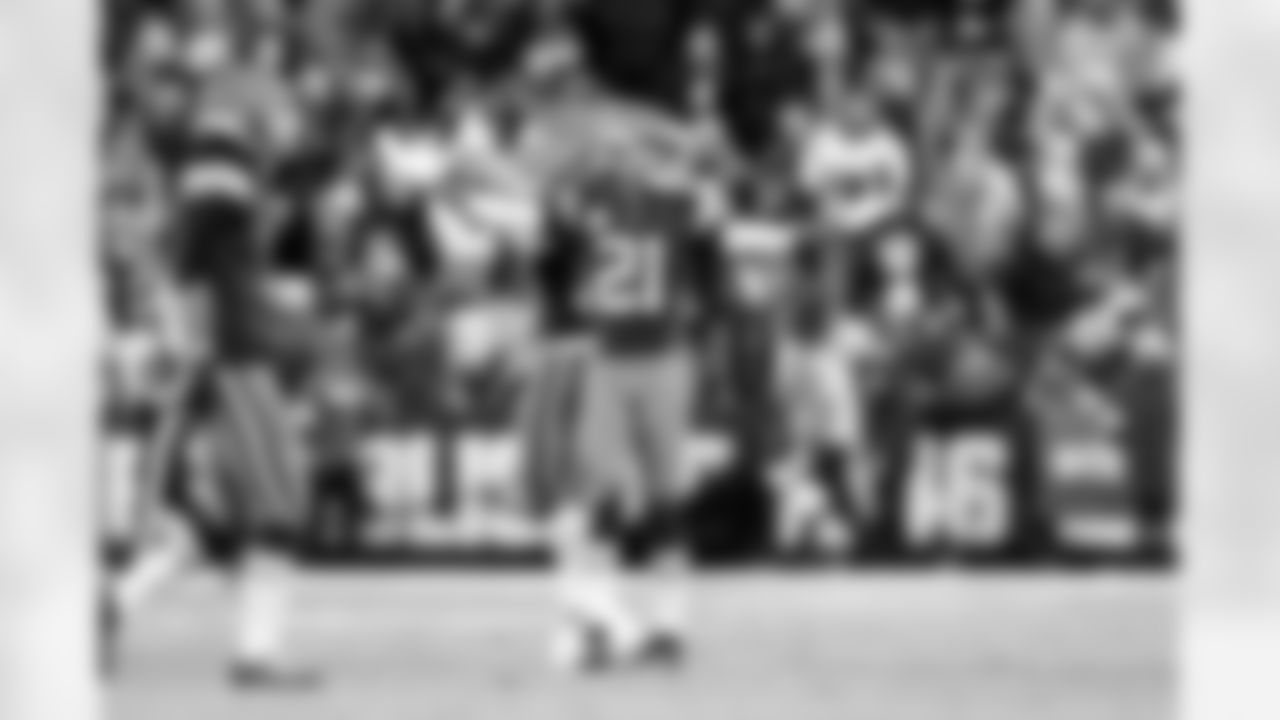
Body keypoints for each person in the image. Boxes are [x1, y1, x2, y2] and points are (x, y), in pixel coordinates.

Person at [104, 100, 319, 689]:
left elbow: (188, 269)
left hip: (228, 365)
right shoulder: (219, 188)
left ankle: (110, 608)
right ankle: (255, 656)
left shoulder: (214, 205)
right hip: (236, 368)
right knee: (276, 520)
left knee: (216, 527)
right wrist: (194, 351)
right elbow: (192, 266)